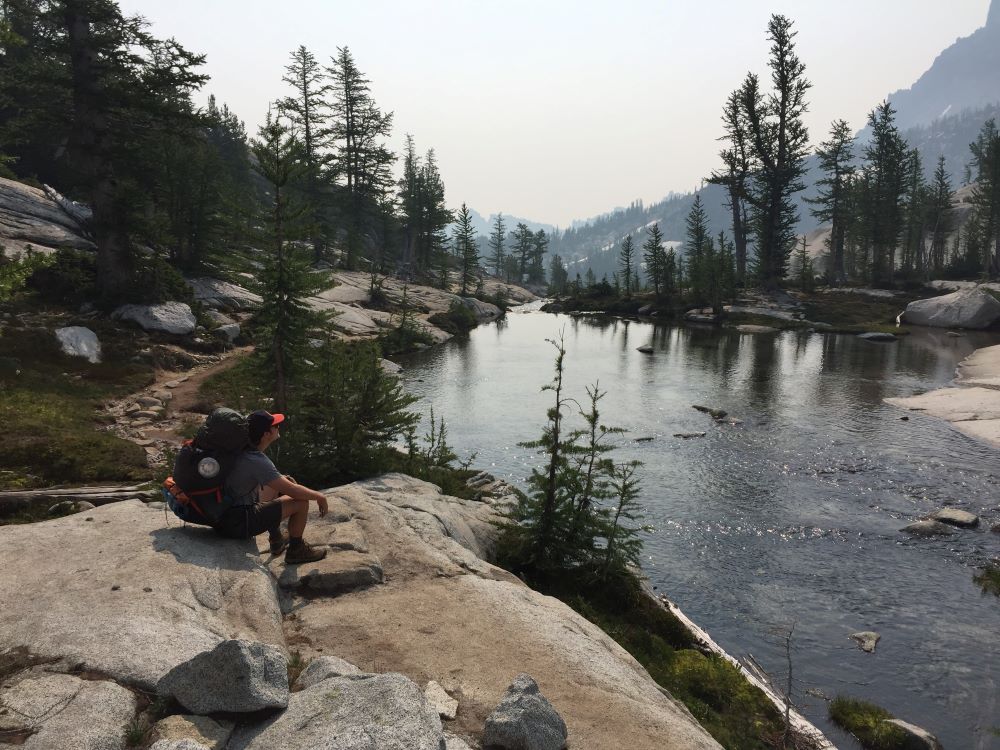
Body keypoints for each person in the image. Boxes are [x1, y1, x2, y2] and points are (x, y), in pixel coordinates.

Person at [212, 409, 329, 564]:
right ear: (266, 434)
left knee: (283, 481)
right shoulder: (255, 460)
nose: (278, 427)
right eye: (275, 425)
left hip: (224, 515)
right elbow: (293, 491)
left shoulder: (241, 451)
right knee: (300, 501)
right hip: (238, 522)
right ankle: (296, 550)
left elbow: (281, 483)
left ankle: (276, 540)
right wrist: (319, 496)